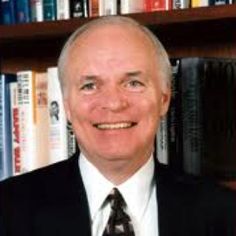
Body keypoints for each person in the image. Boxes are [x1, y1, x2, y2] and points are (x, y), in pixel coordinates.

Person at [0, 16, 235, 236]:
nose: (113, 103)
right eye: (90, 86)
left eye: (133, 83)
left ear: (164, 99)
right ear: (67, 106)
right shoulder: (8, 208)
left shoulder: (226, 213)